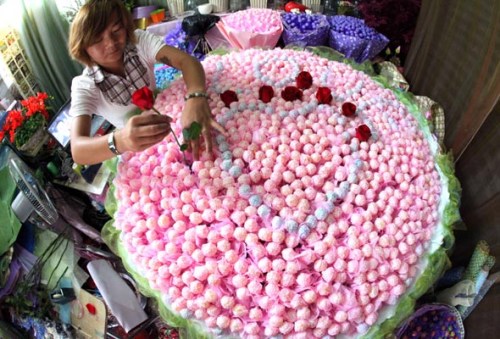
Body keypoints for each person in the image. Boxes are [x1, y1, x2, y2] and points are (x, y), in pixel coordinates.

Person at [68, 0, 226, 165]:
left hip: (169, 123)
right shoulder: (85, 85)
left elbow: (187, 62)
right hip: (143, 151)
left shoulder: (139, 43)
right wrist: (121, 140)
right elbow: (78, 151)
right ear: (83, 46)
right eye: (97, 39)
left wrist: (195, 97)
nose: (111, 43)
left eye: (116, 30)